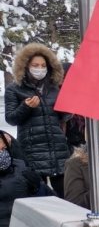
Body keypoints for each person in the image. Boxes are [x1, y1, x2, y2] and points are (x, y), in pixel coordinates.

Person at [4, 42, 70, 197]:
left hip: (58, 150)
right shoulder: (14, 89)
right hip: (32, 152)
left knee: (66, 196)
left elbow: (64, 117)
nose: (39, 68)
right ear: (26, 65)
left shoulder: (54, 88)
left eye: (43, 65)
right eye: (35, 65)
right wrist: (26, 107)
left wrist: (67, 109)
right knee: (38, 198)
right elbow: (11, 119)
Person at [0, 132, 45, 227]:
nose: (1, 151)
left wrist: (38, 187)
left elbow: (48, 200)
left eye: (3, 148)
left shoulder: (20, 166)